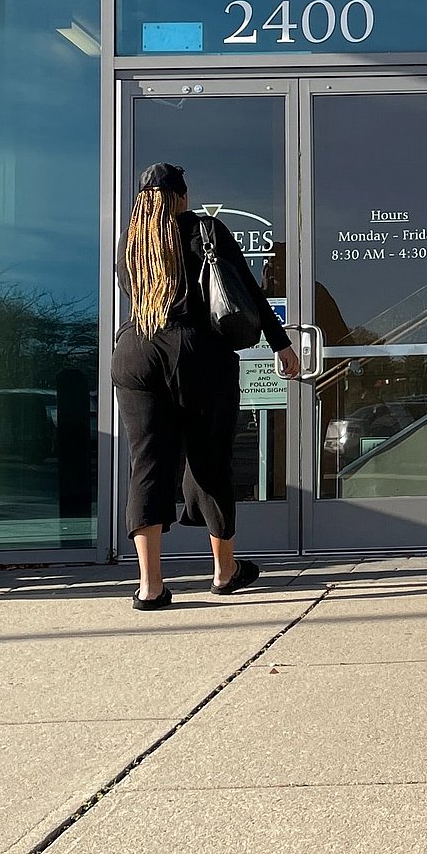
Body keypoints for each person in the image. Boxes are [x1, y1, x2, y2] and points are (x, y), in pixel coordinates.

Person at [115, 162, 300, 610]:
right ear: (180, 195)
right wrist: (281, 344)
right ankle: (224, 572)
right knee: (210, 458)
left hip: (136, 350)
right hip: (198, 353)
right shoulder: (206, 230)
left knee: (148, 465)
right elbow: (247, 293)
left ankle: (150, 587)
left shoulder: (132, 242)